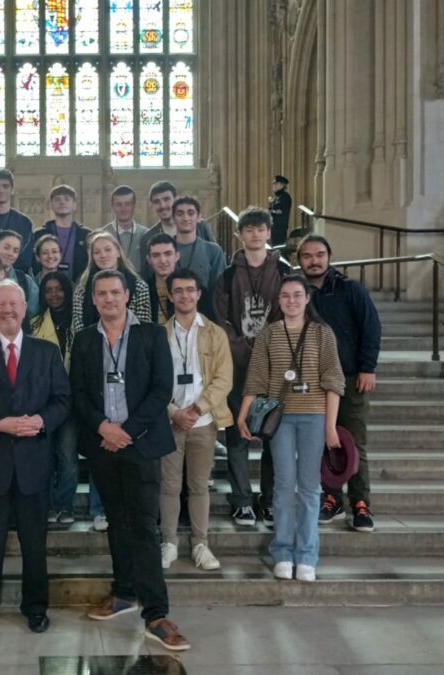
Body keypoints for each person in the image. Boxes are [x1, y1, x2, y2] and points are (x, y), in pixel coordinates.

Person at [70, 269, 190, 651]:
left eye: (114, 292)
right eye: (101, 293)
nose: (108, 299)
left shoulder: (152, 335)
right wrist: (104, 427)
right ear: (93, 300)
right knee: (116, 521)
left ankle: (156, 614)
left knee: (142, 527)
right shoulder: (85, 339)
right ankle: (124, 592)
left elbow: (161, 389)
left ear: (126, 296)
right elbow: (78, 392)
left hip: (139, 444)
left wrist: (127, 431)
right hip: (104, 444)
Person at [0, 280, 71, 634]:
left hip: (34, 463)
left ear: (25, 309)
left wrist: (41, 422)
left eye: (14, 304)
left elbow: (63, 400)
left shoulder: (46, 352)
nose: (7, 310)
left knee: (34, 542)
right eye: (1, 304)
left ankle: (36, 606)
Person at [238, 275, 344, 582]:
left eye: (298, 295)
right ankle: (283, 551)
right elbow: (257, 378)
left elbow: (333, 380)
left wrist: (331, 426)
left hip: (314, 415)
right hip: (279, 417)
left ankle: (307, 555)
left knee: (310, 487)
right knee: (284, 485)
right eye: (285, 296)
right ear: (279, 300)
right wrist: (243, 416)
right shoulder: (269, 334)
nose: (292, 301)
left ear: (307, 299)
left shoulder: (323, 334)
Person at [214, 206, 291, 528]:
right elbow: (221, 318)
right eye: (249, 230)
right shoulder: (228, 275)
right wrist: (241, 346)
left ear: (269, 233)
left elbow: (292, 310)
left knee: (272, 435)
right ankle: (243, 500)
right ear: (240, 235)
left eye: (260, 229)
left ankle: (270, 500)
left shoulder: (285, 270)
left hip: (274, 367)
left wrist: (267, 347)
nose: (255, 234)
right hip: (237, 366)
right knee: (237, 436)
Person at [299, 234, 381, 533]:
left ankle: (360, 504)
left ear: (329, 256)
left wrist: (367, 367)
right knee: (322, 442)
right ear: (300, 261)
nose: (314, 260)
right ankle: (331, 498)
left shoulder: (350, 290)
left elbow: (371, 327)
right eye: (307, 256)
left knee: (353, 440)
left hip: (349, 378)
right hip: (313, 381)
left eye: (319, 254)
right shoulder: (299, 294)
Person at [159, 269, 235, 572]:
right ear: (171, 295)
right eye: (178, 290)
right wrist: (173, 412)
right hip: (170, 421)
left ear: (199, 294)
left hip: (204, 423)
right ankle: (170, 543)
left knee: (199, 486)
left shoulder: (215, 333)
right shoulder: (160, 334)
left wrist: (196, 410)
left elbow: (223, 379)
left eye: (190, 290)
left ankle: (201, 544)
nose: (184, 295)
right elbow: (153, 381)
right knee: (168, 486)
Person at [32, 272, 102, 527]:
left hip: (71, 402)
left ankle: (64, 504)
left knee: (68, 458)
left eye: (59, 289)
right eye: (48, 290)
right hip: (42, 402)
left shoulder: (80, 323)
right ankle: (47, 504)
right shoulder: (35, 323)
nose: (54, 294)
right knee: (43, 458)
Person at [71, 232, 152, 337]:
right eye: (97, 252)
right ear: (92, 257)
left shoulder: (139, 287)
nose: (103, 255)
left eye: (108, 250)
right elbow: (79, 332)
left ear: (118, 252)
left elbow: (144, 328)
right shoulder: (82, 290)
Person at [138, 181, 214, 278]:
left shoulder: (200, 226)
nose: (162, 205)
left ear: (175, 200)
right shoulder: (147, 238)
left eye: (166, 199)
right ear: (152, 205)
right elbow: (147, 274)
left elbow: (212, 256)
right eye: (157, 202)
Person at [144, 234, 217, 326]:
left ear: (177, 256)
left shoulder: (194, 289)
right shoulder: (142, 291)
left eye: (168, 254)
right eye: (156, 255)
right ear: (149, 259)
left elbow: (209, 328)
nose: (162, 260)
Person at [34, 184, 92, 283]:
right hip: (46, 286)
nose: (62, 202)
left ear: (74, 205)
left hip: (79, 286)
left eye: (67, 199)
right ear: (50, 205)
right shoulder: (39, 234)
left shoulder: (87, 234)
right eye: (57, 199)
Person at [170, 196, 225, 294]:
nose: (185, 218)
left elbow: (219, 289)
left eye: (191, 213)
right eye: (180, 213)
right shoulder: (164, 251)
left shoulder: (213, 251)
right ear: (173, 217)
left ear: (199, 217)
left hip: (206, 307)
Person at [102, 185, 150, 272]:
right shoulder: (102, 235)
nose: (123, 209)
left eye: (128, 204)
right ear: (112, 207)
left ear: (134, 206)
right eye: (119, 205)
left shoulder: (146, 234)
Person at [269, 175, 293, 247]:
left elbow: (279, 211)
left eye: (276, 184)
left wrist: (272, 211)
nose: (274, 186)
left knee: (278, 247)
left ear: (282, 185)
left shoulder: (285, 197)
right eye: (273, 184)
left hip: (280, 227)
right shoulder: (276, 197)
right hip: (274, 226)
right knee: (274, 246)